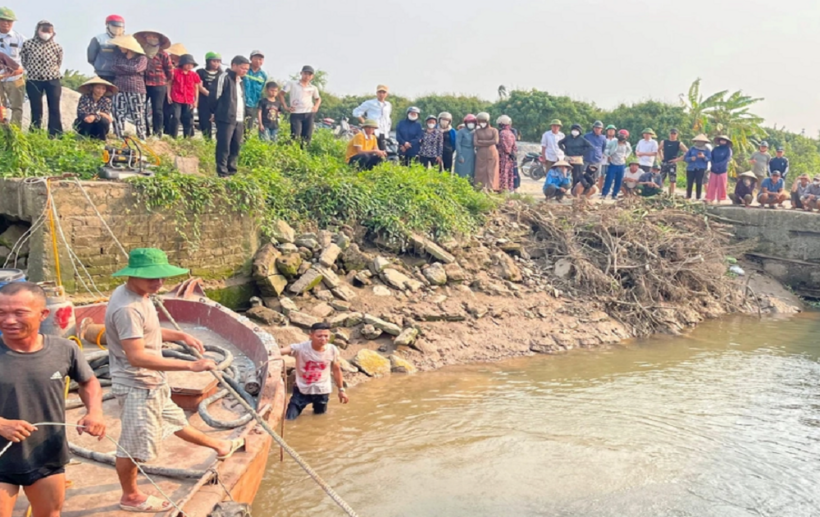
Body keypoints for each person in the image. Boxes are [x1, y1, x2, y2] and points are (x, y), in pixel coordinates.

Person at [105, 248, 244, 513]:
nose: (158, 283)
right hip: (138, 384)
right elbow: (137, 356)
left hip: (151, 383)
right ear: (132, 275)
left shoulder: (139, 295)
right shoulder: (127, 308)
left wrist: (181, 337)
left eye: (161, 278)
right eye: (151, 278)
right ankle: (131, 496)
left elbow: (150, 332)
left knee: (173, 419)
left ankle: (219, 445)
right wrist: (191, 365)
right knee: (132, 445)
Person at [0, 282, 105, 517]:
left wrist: (95, 411)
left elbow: (89, 382)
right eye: (1, 312)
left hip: (46, 453)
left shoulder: (64, 349)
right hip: (1, 458)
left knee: (49, 513)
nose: (8, 320)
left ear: (43, 314)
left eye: (19, 313)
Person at [280, 322, 349, 421]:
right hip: (302, 389)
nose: (323, 339)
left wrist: (341, 390)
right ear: (311, 335)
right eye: (319, 336)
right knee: (289, 419)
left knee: (320, 418)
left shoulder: (332, 350)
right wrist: (273, 352)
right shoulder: (301, 348)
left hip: (322, 390)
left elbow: (336, 370)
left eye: (326, 336)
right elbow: (284, 350)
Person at [19, 20, 62, 136]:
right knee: (36, 108)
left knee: (54, 107)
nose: (46, 33)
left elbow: (59, 63)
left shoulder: (57, 47)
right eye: (44, 30)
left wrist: (49, 72)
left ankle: (55, 134)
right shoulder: (28, 44)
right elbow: (24, 60)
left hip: (52, 80)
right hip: (34, 80)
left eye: (49, 31)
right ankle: (35, 132)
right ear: (38, 31)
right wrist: (34, 70)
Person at [211, 55, 250, 178]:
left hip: (238, 118)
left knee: (236, 145)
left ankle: (231, 170)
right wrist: (214, 112)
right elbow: (214, 96)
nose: (244, 71)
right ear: (233, 66)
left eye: (246, 69)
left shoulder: (241, 82)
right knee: (224, 145)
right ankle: (222, 172)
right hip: (225, 117)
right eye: (242, 68)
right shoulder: (224, 77)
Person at [134, 30, 172, 138]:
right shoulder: (140, 53)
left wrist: (164, 81)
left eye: (154, 37)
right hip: (142, 83)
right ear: (145, 38)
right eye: (149, 36)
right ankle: (144, 131)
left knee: (158, 109)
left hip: (159, 84)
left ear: (159, 40)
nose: (151, 38)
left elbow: (169, 71)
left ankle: (157, 133)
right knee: (141, 108)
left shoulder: (163, 54)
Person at [111, 35, 148, 140]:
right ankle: (119, 135)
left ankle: (141, 137)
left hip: (136, 89)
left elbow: (137, 69)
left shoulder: (142, 58)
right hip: (119, 88)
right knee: (118, 113)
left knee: (138, 114)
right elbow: (113, 67)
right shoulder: (118, 57)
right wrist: (129, 69)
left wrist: (122, 68)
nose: (120, 47)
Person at [279, 65, 321, 146]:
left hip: (309, 113)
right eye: (305, 73)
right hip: (296, 113)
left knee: (307, 137)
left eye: (309, 74)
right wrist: (285, 106)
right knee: (295, 135)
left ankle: (303, 154)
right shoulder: (292, 83)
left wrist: (316, 106)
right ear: (301, 73)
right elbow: (281, 94)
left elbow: (318, 99)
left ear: (312, 76)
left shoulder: (313, 88)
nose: (307, 76)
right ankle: (290, 151)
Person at [0, 7, 25, 127]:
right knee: (0, 107)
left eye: (9, 21)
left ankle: (15, 132)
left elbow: (28, 58)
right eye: (3, 20)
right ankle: (2, 131)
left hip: (15, 78)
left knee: (17, 107)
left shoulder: (19, 38)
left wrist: (21, 69)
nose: (6, 23)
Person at [167, 54, 200, 139]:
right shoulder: (175, 72)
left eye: (191, 64)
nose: (189, 66)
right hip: (176, 97)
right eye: (187, 63)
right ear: (182, 64)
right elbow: (169, 83)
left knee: (188, 119)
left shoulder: (194, 75)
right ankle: (173, 137)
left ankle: (187, 137)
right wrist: (168, 95)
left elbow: (196, 88)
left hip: (188, 99)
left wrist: (196, 100)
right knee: (175, 117)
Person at [352, 85, 392, 151]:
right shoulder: (370, 103)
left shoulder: (388, 105)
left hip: (383, 131)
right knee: (371, 149)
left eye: (383, 92)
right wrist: (364, 122)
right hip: (372, 130)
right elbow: (356, 112)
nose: (381, 94)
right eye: (380, 92)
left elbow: (387, 118)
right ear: (377, 93)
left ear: (386, 94)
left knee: (382, 150)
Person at [87, 14, 124, 83]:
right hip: (103, 74)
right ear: (107, 25)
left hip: (120, 74)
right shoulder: (99, 39)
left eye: (119, 27)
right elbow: (91, 58)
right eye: (114, 26)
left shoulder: (126, 40)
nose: (117, 29)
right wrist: (100, 65)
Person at [196, 52, 222, 139]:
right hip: (204, 101)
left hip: (218, 102)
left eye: (218, 61)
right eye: (214, 61)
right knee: (204, 121)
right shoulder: (200, 72)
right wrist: (210, 94)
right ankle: (207, 141)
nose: (216, 64)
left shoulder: (222, 74)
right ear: (208, 61)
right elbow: (199, 86)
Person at [559, 123, 593, 189]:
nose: (575, 131)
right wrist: (564, 150)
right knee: (564, 173)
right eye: (574, 129)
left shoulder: (582, 139)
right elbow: (559, 143)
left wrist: (582, 153)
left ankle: (574, 190)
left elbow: (590, 147)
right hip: (568, 157)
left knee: (576, 175)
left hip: (577, 158)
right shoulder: (567, 138)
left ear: (579, 131)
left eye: (577, 130)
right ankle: (562, 190)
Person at [602, 129, 632, 199]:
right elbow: (606, 149)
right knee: (609, 179)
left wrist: (626, 156)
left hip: (621, 164)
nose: (622, 136)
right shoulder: (613, 142)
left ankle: (615, 194)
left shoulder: (627, 144)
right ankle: (604, 193)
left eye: (624, 135)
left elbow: (629, 150)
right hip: (613, 163)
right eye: (620, 135)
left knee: (619, 180)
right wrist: (608, 155)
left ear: (626, 137)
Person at [473, 112, 499, 191]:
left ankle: (492, 188)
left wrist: (482, 142)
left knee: (492, 171)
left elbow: (495, 141)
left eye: (483, 121)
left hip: (492, 153)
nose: (482, 123)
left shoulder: (494, 130)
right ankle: (480, 187)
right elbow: (475, 143)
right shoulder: (477, 131)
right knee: (480, 171)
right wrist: (488, 142)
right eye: (480, 121)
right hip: (481, 154)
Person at [658, 128, 688, 196]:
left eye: (674, 134)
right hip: (664, 162)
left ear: (677, 135)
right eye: (671, 133)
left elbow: (687, 152)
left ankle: (672, 194)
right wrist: (661, 157)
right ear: (669, 134)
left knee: (672, 179)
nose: (672, 135)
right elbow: (659, 149)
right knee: (661, 178)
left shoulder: (679, 143)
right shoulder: (664, 142)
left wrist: (678, 159)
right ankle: (659, 192)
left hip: (672, 163)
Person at [242, 50, 266, 132]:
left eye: (260, 59)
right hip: (241, 101)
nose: (258, 61)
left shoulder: (263, 75)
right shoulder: (244, 70)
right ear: (251, 59)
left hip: (253, 104)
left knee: (248, 128)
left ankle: (245, 144)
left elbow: (262, 89)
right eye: (256, 58)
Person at [705, 135, 733, 204]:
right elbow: (711, 158)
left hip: (723, 169)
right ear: (719, 141)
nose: (722, 141)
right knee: (712, 185)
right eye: (721, 140)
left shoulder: (728, 150)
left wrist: (719, 165)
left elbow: (727, 159)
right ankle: (711, 199)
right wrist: (714, 165)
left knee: (721, 185)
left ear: (726, 142)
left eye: (724, 140)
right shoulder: (715, 149)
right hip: (713, 169)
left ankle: (719, 200)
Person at [683, 134, 712, 200]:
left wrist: (703, 157)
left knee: (699, 183)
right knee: (689, 182)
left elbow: (709, 158)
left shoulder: (707, 150)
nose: (699, 142)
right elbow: (685, 158)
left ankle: (698, 197)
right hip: (691, 168)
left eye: (701, 141)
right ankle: (688, 196)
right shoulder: (692, 148)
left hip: (701, 168)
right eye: (698, 141)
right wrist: (691, 158)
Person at [497, 115, 518, 192]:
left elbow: (503, 145)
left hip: (504, 156)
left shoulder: (502, 133)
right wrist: (513, 153)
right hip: (511, 156)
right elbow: (514, 145)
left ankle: (503, 188)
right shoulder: (511, 133)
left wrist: (508, 152)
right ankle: (510, 188)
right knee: (510, 172)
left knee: (503, 173)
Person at [583, 121, 607, 185]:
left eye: (599, 128)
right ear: (593, 128)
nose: (597, 129)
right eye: (596, 127)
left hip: (597, 160)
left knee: (596, 177)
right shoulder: (587, 136)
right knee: (584, 175)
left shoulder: (603, 138)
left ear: (601, 129)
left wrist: (600, 154)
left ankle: (592, 190)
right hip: (587, 159)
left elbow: (603, 148)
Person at [454, 114, 476, 179]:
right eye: (469, 122)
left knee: (471, 170)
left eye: (472, 122)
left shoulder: (475, 132)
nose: (471, 124)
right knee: (461, 170)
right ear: (466, 123)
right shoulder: (461, 131)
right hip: (463, 151)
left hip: (472, 153)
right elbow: (457, 143)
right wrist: (459, 155)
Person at [599, 124, 617, 190]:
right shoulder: (602, 138)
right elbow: (601, 148)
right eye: (609, 130)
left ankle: (607, 189)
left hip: (613, 160)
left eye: (612, 130)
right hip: (603, 159)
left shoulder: (616, 140)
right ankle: (600, 190)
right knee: (601, 175)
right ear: (607, 131)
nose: (611, 131)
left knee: (611, 176)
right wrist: (607, 155)